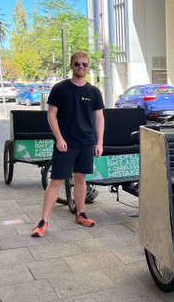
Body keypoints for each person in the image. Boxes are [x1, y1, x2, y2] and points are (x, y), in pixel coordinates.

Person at [31, 52, 105, 237]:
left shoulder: (94, 92)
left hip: (87, 142)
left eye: (85, 64)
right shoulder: (60, 89)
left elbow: (99, 118)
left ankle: (80, 214)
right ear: (72, 65)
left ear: (88, 67)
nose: (81, 67)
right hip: (66, 143)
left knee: (81, 179)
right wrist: (59, 138)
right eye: (78, 63)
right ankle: (43, 222)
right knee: (56, 181)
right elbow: (51, 115)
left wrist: (99, 142)